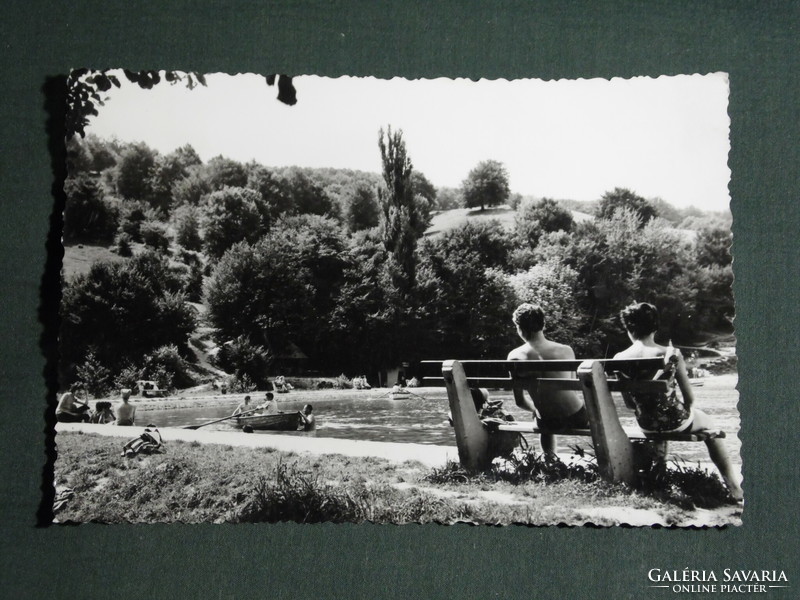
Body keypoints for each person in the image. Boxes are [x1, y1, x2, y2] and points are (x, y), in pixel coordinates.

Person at [615, 302, 743, 501]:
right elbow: (690, 398)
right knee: (709, 425)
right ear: (655, 327)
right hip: (675, 422)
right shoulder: (670, 354)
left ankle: (658, 479)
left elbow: (630, 405)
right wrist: (686, 410)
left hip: (646, 424)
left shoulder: (619, 358)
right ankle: (734, 487)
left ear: (629, 329)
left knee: (657, 413)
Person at [507, 303, 589, 454]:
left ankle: (549, 459)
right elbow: (572, 389)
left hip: (547, 421)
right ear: (543, 324)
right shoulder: (566, 350)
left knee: (540, 413)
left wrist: (535, 409)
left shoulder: (514, 357)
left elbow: (519, 401)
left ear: (519, 328)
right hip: (575, 416)